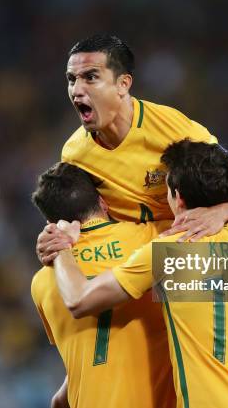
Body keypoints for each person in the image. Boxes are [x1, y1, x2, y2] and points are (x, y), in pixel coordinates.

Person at [52, 140, 228, 408]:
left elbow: (79, 300)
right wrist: (227, 210)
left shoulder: (171, 251)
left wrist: (61, 245)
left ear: (178, 198)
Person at [36, 33, 228, 265]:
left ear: (123, 84)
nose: (77, 90)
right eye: (71, 79)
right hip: (142, 262)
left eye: (90, 77)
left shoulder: (175, 131)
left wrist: (220, 213)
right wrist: (55, 237)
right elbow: (78, 221)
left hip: (198, 251)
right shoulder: (75, 154)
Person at [30, 162, 176, 408]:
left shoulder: (42, 282)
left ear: (51, 224)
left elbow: (89, 352)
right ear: (104, 202)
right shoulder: (151, 237)